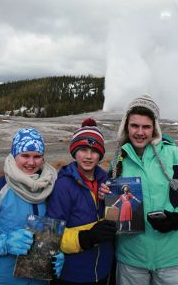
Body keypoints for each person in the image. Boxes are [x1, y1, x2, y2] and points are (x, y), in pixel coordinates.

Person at [100, 94, 178, 285]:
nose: (140, 132)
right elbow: (111, 207)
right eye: (134, 126)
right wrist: (103, 197)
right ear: (126, 126)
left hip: (172, 259)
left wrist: (177, 218)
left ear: (154, 128)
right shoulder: (118, 162)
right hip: (131, 260)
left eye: (146, 126)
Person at [0, 127, 64, 285]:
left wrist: (57, 254)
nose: (31, 162)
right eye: (25, 155)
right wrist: (2, 243)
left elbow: (54, 230)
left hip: (40, 281)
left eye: (37, 156)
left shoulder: (52, 188)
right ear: (14, 154)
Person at [47, 118, 117, 285]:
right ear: (74, 152)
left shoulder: (107, 181)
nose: (88, 156)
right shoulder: (63, 185)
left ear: (100, 154)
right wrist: (87, 237)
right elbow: (50, 236)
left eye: (94, 151)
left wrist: (109, 202)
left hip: (101, 271)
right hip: (72, 274)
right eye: (83, 149)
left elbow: (116, 218)